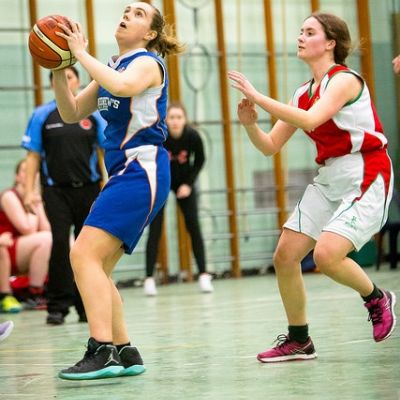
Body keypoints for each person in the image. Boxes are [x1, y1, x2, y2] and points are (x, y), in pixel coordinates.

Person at [228, 12, 396, 363]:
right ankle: (299, 339)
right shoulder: (301, 93)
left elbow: (311, 119)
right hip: (330, 177)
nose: (300, 37)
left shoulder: (345, 80)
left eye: (309, 32)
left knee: (326, 255)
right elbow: (270, 146)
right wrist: (250, 125)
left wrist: (258, 96)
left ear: (330, 42)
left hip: (366, 172)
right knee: (285, 256)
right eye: (300, 31)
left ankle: (377, 298)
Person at [51, 2, 183, 380]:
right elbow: (72, 112)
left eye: (138, 13)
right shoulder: (113, 66)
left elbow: (123, 87)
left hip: (142, 170)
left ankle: (102, 349)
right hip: (125, 173)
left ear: (151, 33)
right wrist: (59, 67)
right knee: (99, 267)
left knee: (82, 254)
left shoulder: (148, 63)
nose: (127, 14)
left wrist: (80, 53)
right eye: (126, 9)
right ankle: (125, 351)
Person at [22, 66, 106, 326]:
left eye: (70, 77)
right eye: (60, 78)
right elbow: (33, 156)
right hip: (55, 191)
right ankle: (57, 306)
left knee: (88, 248)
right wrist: (29, 191)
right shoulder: (42, 115)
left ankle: (85, 307)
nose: (66, 81)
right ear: (53, 85)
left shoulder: (93, 115)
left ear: (78, 82)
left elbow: (105, 150)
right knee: (60, 243)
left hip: (89, 190)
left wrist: (109, 182)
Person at [144, 102, 213, 296]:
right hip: (162, 182)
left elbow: (199, 160)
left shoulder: (192, 136)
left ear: (184, 120)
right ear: (166, 120)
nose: (175, 121)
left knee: (193, 226)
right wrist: (158, 186)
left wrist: (188, 185)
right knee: (155, 228)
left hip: (184, 182)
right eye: (171, 118)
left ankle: (204, 275)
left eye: (179, 117)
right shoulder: (160, 136)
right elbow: (150, 160)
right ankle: (149, 278)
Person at [0, 160, 51, 312]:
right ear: (17, 177)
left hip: (22, 250)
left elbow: (47, 229)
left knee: (59, 239)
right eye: (24, 171)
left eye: (33, 171)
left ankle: (57, 289)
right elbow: (28, 229)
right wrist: (32, 203)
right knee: (45, 240)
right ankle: (34, 292)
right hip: (6, 247)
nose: (30, 174)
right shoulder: (10, 195)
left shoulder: (36, 197)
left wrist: (38, 203)